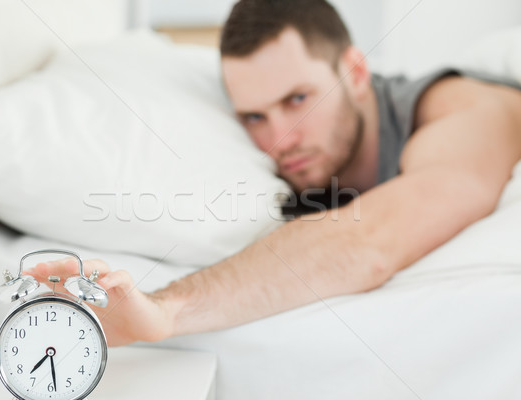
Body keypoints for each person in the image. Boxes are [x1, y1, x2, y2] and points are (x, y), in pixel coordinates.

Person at [27, 0, 521, 346]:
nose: (280, 141)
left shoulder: (461, 110)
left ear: (355, 72)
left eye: (298, 100)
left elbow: (369, 242)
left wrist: (166, 308)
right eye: (255, 117)